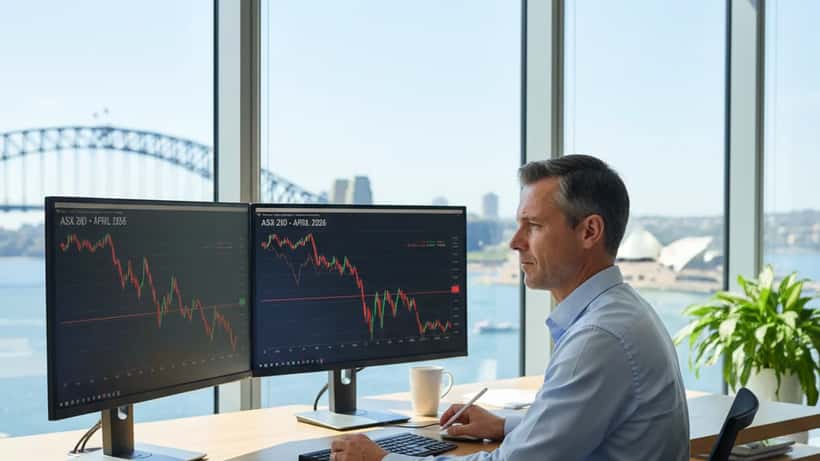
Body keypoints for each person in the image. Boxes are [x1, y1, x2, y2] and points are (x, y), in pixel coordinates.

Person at [329, 155, 690, 461]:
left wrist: (384, 459)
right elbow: (580, 422)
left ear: (589, 232)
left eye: (533, 226)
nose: (516, 243)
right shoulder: (623, 311)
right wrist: (505, 425)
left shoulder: (598, 338)